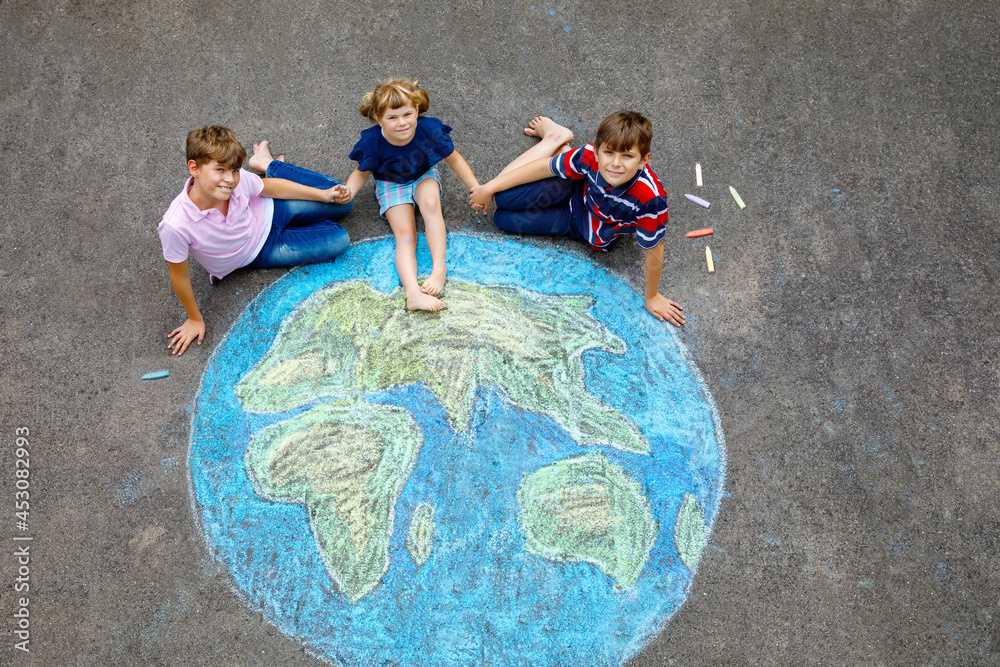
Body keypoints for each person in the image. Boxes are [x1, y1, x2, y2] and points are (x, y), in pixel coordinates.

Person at [468, 112, 685, 326]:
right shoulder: (590, 155)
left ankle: (562, 146)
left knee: (502, 219)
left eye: (628, 156)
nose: (616, 163)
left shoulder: (651, 198)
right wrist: (488, 187)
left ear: (644, 160)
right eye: (609, 152)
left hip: (580, 225)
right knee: (501, 195)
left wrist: (652, 296)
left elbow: (654, 248)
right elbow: (544, 167)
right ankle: (556, 139)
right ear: (598, 151)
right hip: (572, 187)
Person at [158, 125, 353, 355]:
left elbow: (267, 187)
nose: (229, 180)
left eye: (235, 170)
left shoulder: (236, 181)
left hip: (270, 209)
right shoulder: (175, 224)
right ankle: (272, 168)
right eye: (219, 170)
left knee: (345, 201)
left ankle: (268, 164)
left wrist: (322, 195)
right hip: (259, 252)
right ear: (194, 168)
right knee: (339, 240)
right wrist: (194, 319)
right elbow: (179, 274)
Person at [337, 78, 481, 311]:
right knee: (405, 235)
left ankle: (439, 268)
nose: (402, 123)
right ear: (378, 118)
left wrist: (476, 187)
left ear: (416, 110)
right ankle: (413, 293)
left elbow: (454, 158)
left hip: (423, 174)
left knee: (431, 205)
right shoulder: (373, 142)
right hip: (390, 183)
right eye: (392, 118)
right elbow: (361, 173)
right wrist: (349, 191)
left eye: (407, 115)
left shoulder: (429, 131)